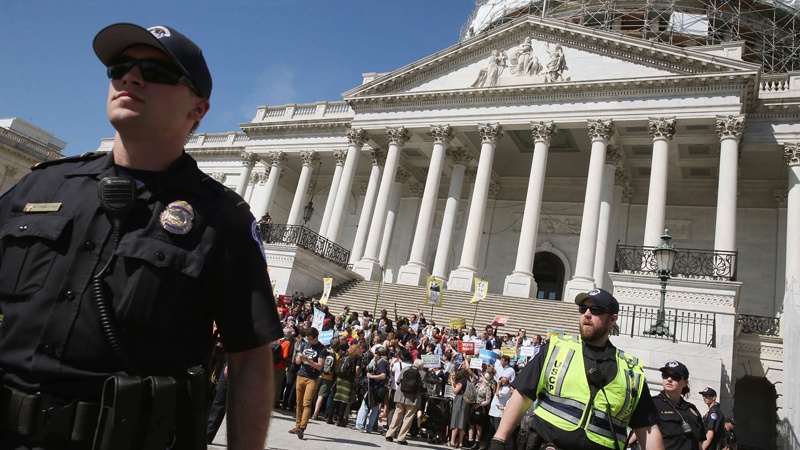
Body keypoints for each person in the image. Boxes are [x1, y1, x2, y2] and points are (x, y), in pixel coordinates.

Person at [0, 23, 282, 450]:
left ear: (198, 109)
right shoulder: (40, 187)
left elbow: (249, 360)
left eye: (157, 72)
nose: (130, 78)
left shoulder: (221, 222)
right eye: (120, 67)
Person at [489, 288, 664, 450]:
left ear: (613, 319)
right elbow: (522, 396)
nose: (587, 314)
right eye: (583, 309)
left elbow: (647, 428)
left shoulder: (631, 372)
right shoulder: (555, 349)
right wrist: (499, 440)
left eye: (596, 310)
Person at [630, 361, 704, 450]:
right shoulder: (651, 405)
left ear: (685, 383)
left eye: (675, 377)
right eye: (665, 375)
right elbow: (641, 432)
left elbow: (699, 443)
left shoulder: (692, 410)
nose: (669, 379)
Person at [289, 327, 326, 439]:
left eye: (311, 339)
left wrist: (308, 360)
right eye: (308, 339)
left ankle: (302, 427)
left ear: (316, 337)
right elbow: (296, 361)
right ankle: (297, 425)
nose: (309, 341)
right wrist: (299, 359)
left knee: (307, 402)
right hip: (301, 374)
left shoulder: (321, 349)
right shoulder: (304, 345)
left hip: (312, 378)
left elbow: (319, 366)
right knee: (299, 402)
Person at [385, 350, 423, 445]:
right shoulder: (421, 373)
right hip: (413, 398)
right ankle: (401, 437)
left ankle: (389, 434)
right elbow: (422, 387)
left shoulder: (405, 369)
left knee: (397, 414)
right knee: (408, 418)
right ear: (421, 366)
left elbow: (398, 381)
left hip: (401, 395)